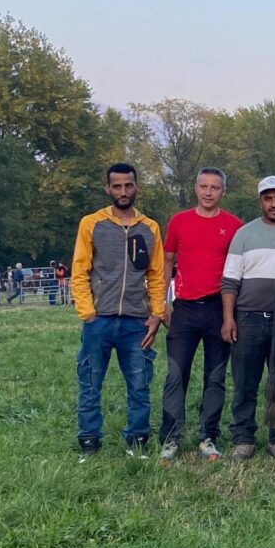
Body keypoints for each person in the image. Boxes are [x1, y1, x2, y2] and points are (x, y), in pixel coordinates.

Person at [71, 163, 166, 459]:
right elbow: (79, 270)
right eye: (117, 186)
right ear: (108, 189)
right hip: (99, 321)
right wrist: (88, 312)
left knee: (139, 384)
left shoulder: (150, 228)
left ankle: (137, 442)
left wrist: (157, 314)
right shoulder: (91, 223)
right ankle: (89, 442)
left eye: (128, 185)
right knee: (90, 382)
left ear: (136, 186)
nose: (123, 192)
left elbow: (156, 275)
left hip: (136, 322)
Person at [157, 167, 243, 465]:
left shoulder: (233, 225)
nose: (208, 192)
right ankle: (170, 438)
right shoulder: (179, 221)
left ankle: (208, 436)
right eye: (204, 186)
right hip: (184, 309)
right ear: (195, 188)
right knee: (175, 374)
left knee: (215, 377)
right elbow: (168, 262)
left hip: (219, 309)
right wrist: (162, 303)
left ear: (223, 191)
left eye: (215, 187)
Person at [221, 176, 275, 462]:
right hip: (248, 318)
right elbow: (230, 281)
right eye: (267, 198)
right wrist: (228, 318)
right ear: (260, 201)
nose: (273, 203)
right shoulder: (244, 234)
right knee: (245, 381)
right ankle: (243, 438)